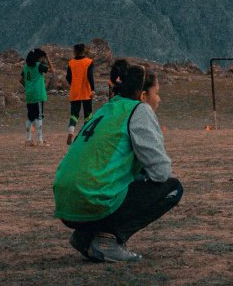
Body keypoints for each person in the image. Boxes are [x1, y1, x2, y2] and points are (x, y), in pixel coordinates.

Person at [54, 61, 183, 263]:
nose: (159, 99)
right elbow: (161, 172)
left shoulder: (106, 109)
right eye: (156, 93)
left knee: (126, 182)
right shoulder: (139, 110)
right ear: (142, 96)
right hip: (91, 197)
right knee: (172, 188)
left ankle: (86, 236)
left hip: (66, 201)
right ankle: (107, 241)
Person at [66, 43, 95, 145]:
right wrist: (93, 89)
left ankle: (71, 131)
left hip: (75, 91)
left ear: (75, 52)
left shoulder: (71, 63)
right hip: (86, 91)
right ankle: (82, 135)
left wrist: (73, 85)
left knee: (74, 114)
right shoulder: (89, 62)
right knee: (88, 115)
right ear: (84, 51)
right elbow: (90, 76)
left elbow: (68, 77)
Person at [22, 48, 51, 146]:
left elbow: (21, 80)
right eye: (42, 57)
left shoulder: (25, 67)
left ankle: (28, 139)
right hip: (38, 95)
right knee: (39, 117)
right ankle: (40, 140)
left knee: (30, 118)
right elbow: (52, 70)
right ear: (39, 58)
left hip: (29, 95)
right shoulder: (39, 66)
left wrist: (28, 86)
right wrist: (48, 59)